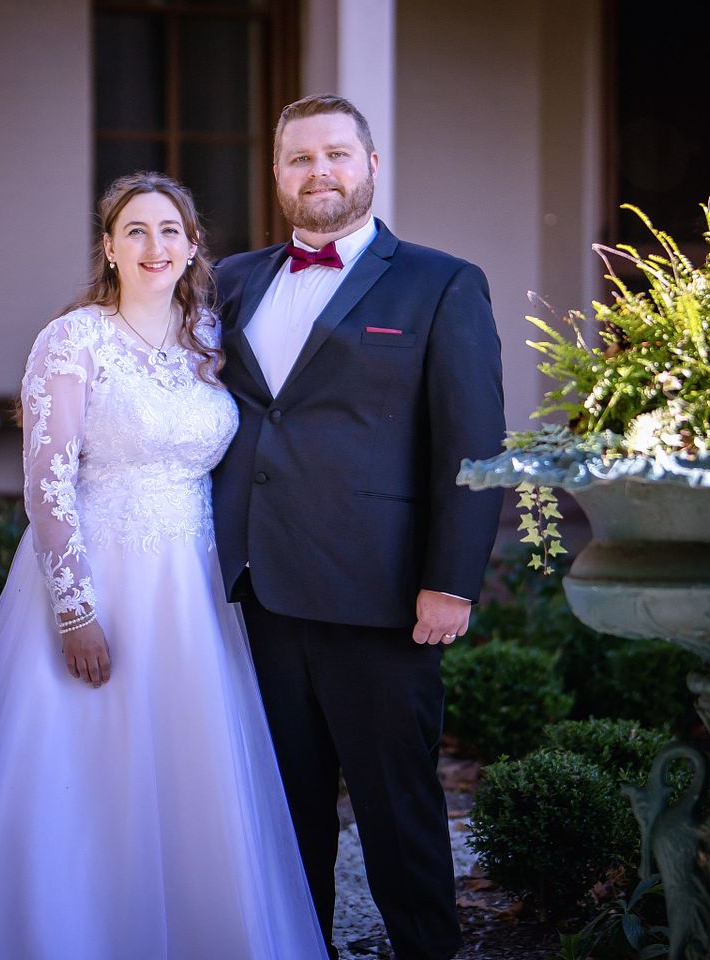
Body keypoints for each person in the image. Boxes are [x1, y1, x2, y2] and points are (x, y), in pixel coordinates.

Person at [0, 172, 327, 960]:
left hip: (197, 589)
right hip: (101, 573)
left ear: (193, 245)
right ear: (108, 248)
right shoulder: (72, 340)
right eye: (136, 230)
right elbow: (47, 482)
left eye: (170, 230)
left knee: (192, 773)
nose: (155, 246)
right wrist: (75, 610)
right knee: (82, 768)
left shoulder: (210, 341)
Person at [212, 95, 506, 960]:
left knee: (398, 811)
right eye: (300, 159)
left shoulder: (441, 282)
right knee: (282, 814)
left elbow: (473, 443)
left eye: (337, 154)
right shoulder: (230, 281)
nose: (320, 173)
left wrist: (451, 580)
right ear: (277, 175)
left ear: (371, 166)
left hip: (379, 596)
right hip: (254, 592)